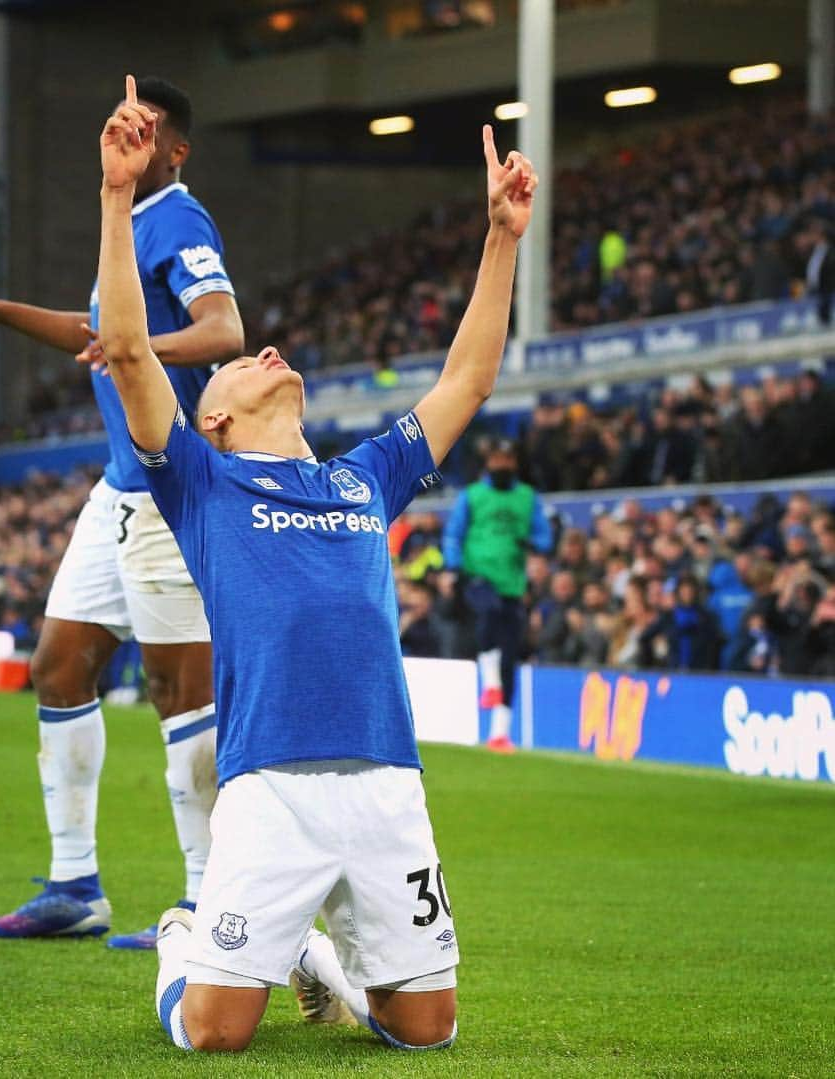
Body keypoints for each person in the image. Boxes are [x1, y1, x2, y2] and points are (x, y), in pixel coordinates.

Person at [94, 78, 536, 1052]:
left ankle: (323, 957)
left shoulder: (363, 476)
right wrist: (118, 200)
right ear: (212, 415)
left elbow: (468, 378)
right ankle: (186, 936)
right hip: (272, 783)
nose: (271, 351)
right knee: (213, 1032)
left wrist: (501, 238)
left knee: (428, 1033)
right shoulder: (201, 481)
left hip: (386, 780)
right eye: (245, 362)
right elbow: (127, 351)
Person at [0, 77, 244, 945]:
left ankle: (210, 903)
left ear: (175, 149)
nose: (130, 136)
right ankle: (74, 885)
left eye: (149, 127)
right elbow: (91, 328)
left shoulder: (178, 217)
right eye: (117, 123)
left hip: (178, 485)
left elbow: (222, 330)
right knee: (59, 664)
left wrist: (141, 348)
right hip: (118, 488)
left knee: (180, 691)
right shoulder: (124, 226)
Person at [439, 440, 552, 752]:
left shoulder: (527, 498)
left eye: (507, 459)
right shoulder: (473, 496)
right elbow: (454, 533)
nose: (501, 464)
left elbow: (543, 536)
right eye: (497, 459)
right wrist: (452, 566)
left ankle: (500, 732)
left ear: (514, 462)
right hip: (477, 574)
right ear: (488, 461)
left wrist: (534, 548)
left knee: (510, 653)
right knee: (486, 618)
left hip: (512, 582)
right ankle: (489, 684)